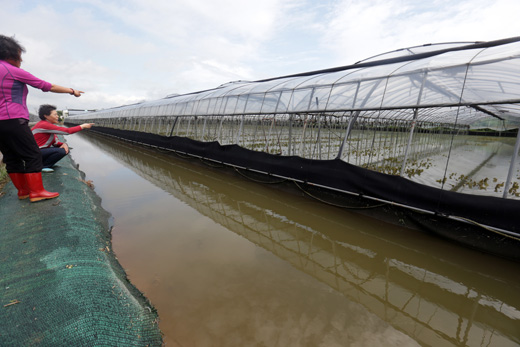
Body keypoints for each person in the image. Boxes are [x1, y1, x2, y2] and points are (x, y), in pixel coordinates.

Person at [0, 34, 84, 202]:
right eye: (19, 56)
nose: (21, 60)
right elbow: (47, 86)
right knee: (32, 155)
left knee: (11, 157)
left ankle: (23, 191)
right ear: (11, 54)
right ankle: (37, 192)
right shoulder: (11, 70)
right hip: (13, 119)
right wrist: (71, 90)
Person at [32, 104, 94, 172]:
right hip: (34, 153)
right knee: (62, 151)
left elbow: (55, 142)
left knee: (64, 148)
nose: (57, 116)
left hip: (37, 152)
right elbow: (67, 131)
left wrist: (63, 144)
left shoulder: (46, 126)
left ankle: (44, 164)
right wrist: (82, 126)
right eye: (55, 115)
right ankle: (43, 166)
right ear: (46, 116)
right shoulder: (44, 125)